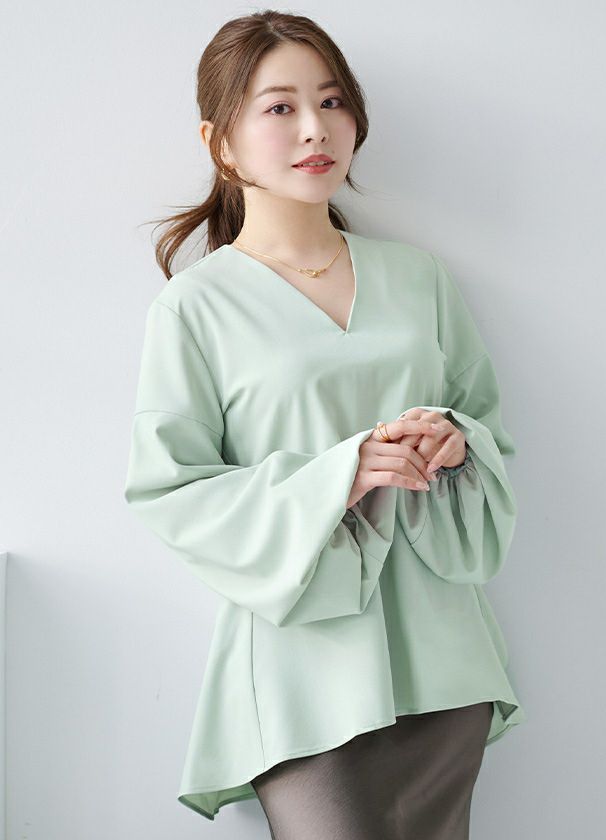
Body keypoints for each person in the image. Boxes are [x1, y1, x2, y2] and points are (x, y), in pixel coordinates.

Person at [124, 9, 526, 839]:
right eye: (280, 107)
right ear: (220, 143)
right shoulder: (196, 307)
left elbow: (488, 427)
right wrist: (340, 474)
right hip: (304, 667)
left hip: (443, 657)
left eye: (333, 101)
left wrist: (454, 440)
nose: (316, 127)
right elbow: (171, 490)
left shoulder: (418, 278)